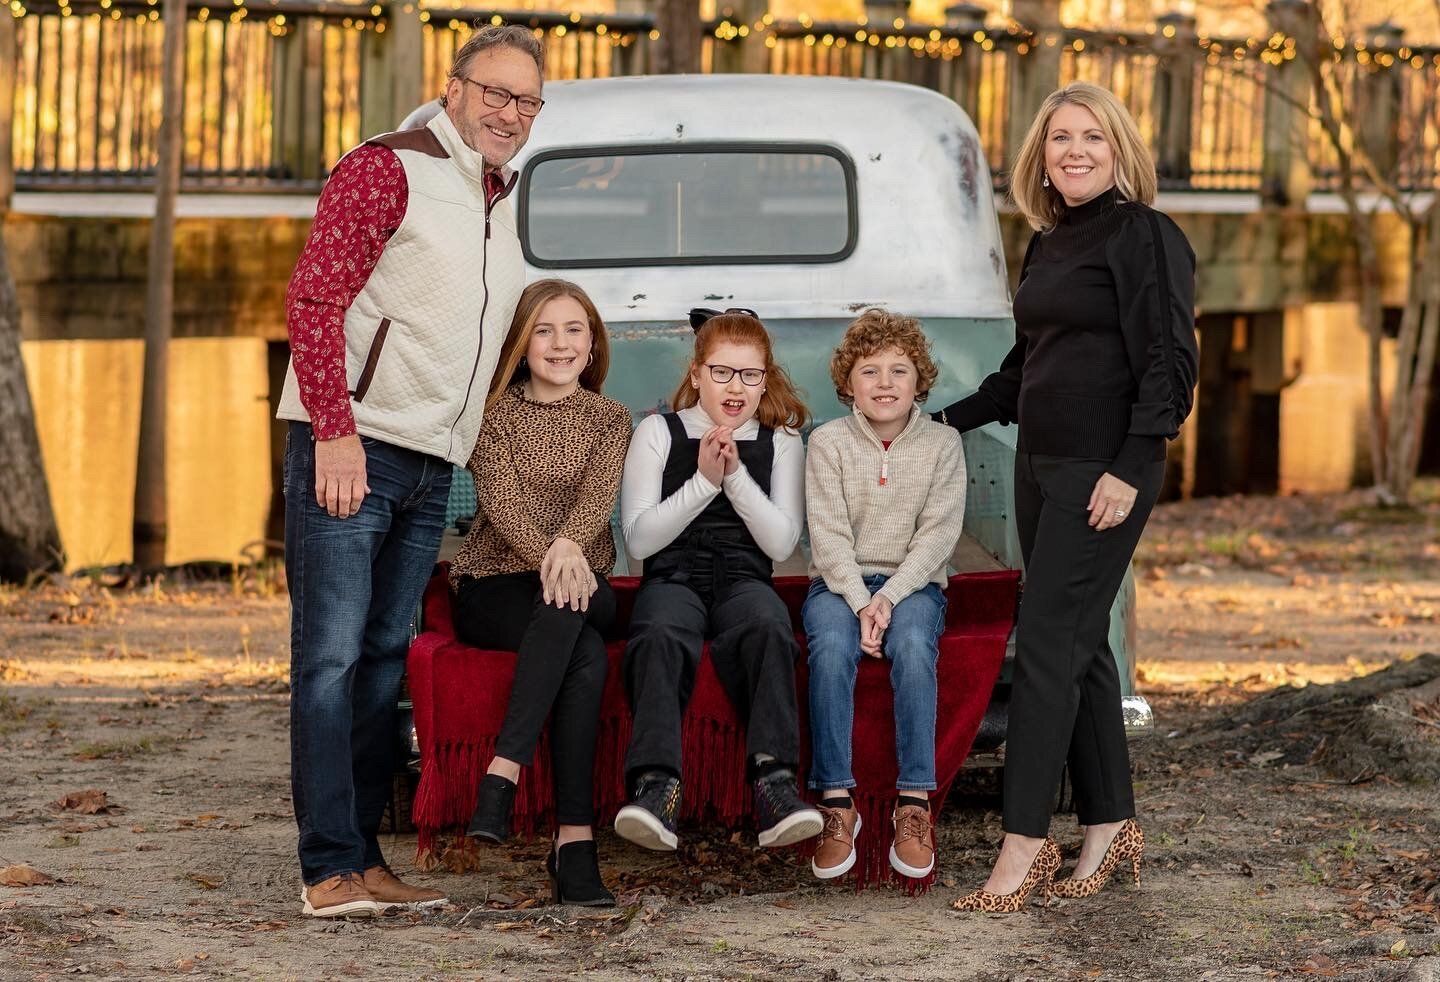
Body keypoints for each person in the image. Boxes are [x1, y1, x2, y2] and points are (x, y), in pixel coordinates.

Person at [276, 25, 545, 919]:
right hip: (355, 448)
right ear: (456, 87)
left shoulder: (497, 198)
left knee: (383, 660)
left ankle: (363, 857)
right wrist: (334, 430)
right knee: (329, 659)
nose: (512, 113)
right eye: (497, 94)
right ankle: (325, 870)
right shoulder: (385, 167)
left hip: (431, 460)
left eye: (529, 102)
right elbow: (315, 298)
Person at [937, 81, 1198, 912]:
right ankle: (1109, 825)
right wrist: (942, 418)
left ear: (1119, 149)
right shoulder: (1048, 243)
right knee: (1081, 647)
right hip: (1039, 463)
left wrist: (1131, 462)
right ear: (1039, 157)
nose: (1074, 151)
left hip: (1105, 469)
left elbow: (1168, 363)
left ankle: (1021, 849)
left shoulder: (1144, 235)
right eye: (1059, 139)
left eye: (1091, 136)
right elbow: (1028, 368)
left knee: (1047, 643)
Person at [448, 279, 631, 907]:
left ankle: (504, 771)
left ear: (593, 341)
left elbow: (596, 500)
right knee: (577, 646)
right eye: (544, 330)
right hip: (495, 585)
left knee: (569, 603)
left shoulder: (611, 418)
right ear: (522, 343)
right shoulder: (491, 416)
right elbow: (502, 506)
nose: (559, 343)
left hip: (586, 581)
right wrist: (553, 557)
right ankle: (574, 844)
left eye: (573, 329)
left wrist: (568, 553)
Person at [612, 310, 823, 853]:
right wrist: (704, 483)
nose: (736, 387)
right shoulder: (658, 432)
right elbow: (639, 541)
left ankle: (775, 786)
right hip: (674, 575)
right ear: (697, 372)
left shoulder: (784, 442)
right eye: (722, 372)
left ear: (766, 378)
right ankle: (655, 788)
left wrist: (733, 479)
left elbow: (780, 543)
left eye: (750, 375)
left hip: (744, 578)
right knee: (659, 633)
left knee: (770, 628)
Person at [803, 309, 966, 881]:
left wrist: (889, 599)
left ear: (919, 380)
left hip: (914, 584)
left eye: (899, 370)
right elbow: (827, 535)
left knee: (917, 644)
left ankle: (914, 803)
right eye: (869, 371)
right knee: (827, 647)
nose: (885, 383)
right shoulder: (827, 442)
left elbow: (938, 536)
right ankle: (837, 802)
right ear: (848, 383)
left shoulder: (943, 445)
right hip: (839, 583)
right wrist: (858, 601)